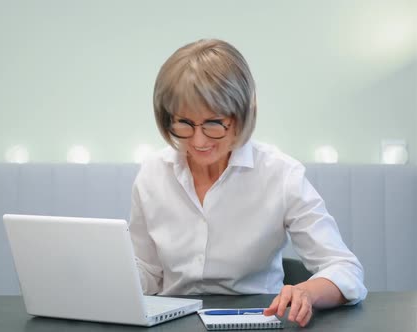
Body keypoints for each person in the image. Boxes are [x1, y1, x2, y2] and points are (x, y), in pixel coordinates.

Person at [129, 38, 367, 327]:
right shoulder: (153, 173)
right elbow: (148, 273)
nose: (198, 140)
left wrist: (306, 292)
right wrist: (105, 277)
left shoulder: (281, 174)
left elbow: (345, 268)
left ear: (242, 115)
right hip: (172, 323)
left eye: (213, 123)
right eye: (184, 123)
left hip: (256, 321)